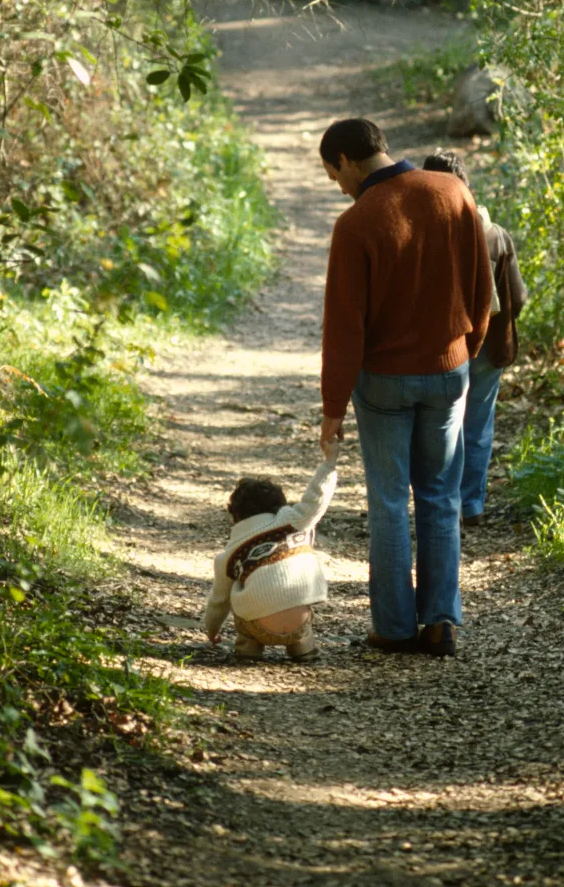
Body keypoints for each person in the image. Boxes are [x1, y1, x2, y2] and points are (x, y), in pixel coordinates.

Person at [319, 116, 493, 658]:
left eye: (333, 175)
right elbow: (480, 288)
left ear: (346, 160)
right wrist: (467, 349)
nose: (338, 187)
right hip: (449, 371)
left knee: (391, 500)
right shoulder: (453, 193)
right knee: (441, 495)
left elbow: (345, 326)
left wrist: (332, 409)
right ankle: (441, 622)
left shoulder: (356, 224)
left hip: (384, 382)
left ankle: (393, 628)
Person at [423, 151, 527, 527]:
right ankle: (472, 505)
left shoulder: (425, 234)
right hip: (489, 346)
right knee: (478, 425)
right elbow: (519, 295)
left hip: (442, 345)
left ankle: (440, 501)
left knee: (440, 425)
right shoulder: (495, 233)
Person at [203, 440, 339, 661]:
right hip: (299, 623)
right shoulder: (293, 521)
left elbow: (219, 601)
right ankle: (302, 648)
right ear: (280, 506)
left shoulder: (228, 555)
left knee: (238, 595)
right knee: (296, 599)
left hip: (258, 626)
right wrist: (329, 464)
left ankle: (249, 649)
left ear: (236, 516)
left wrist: (211, 629)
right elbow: (317, 498)